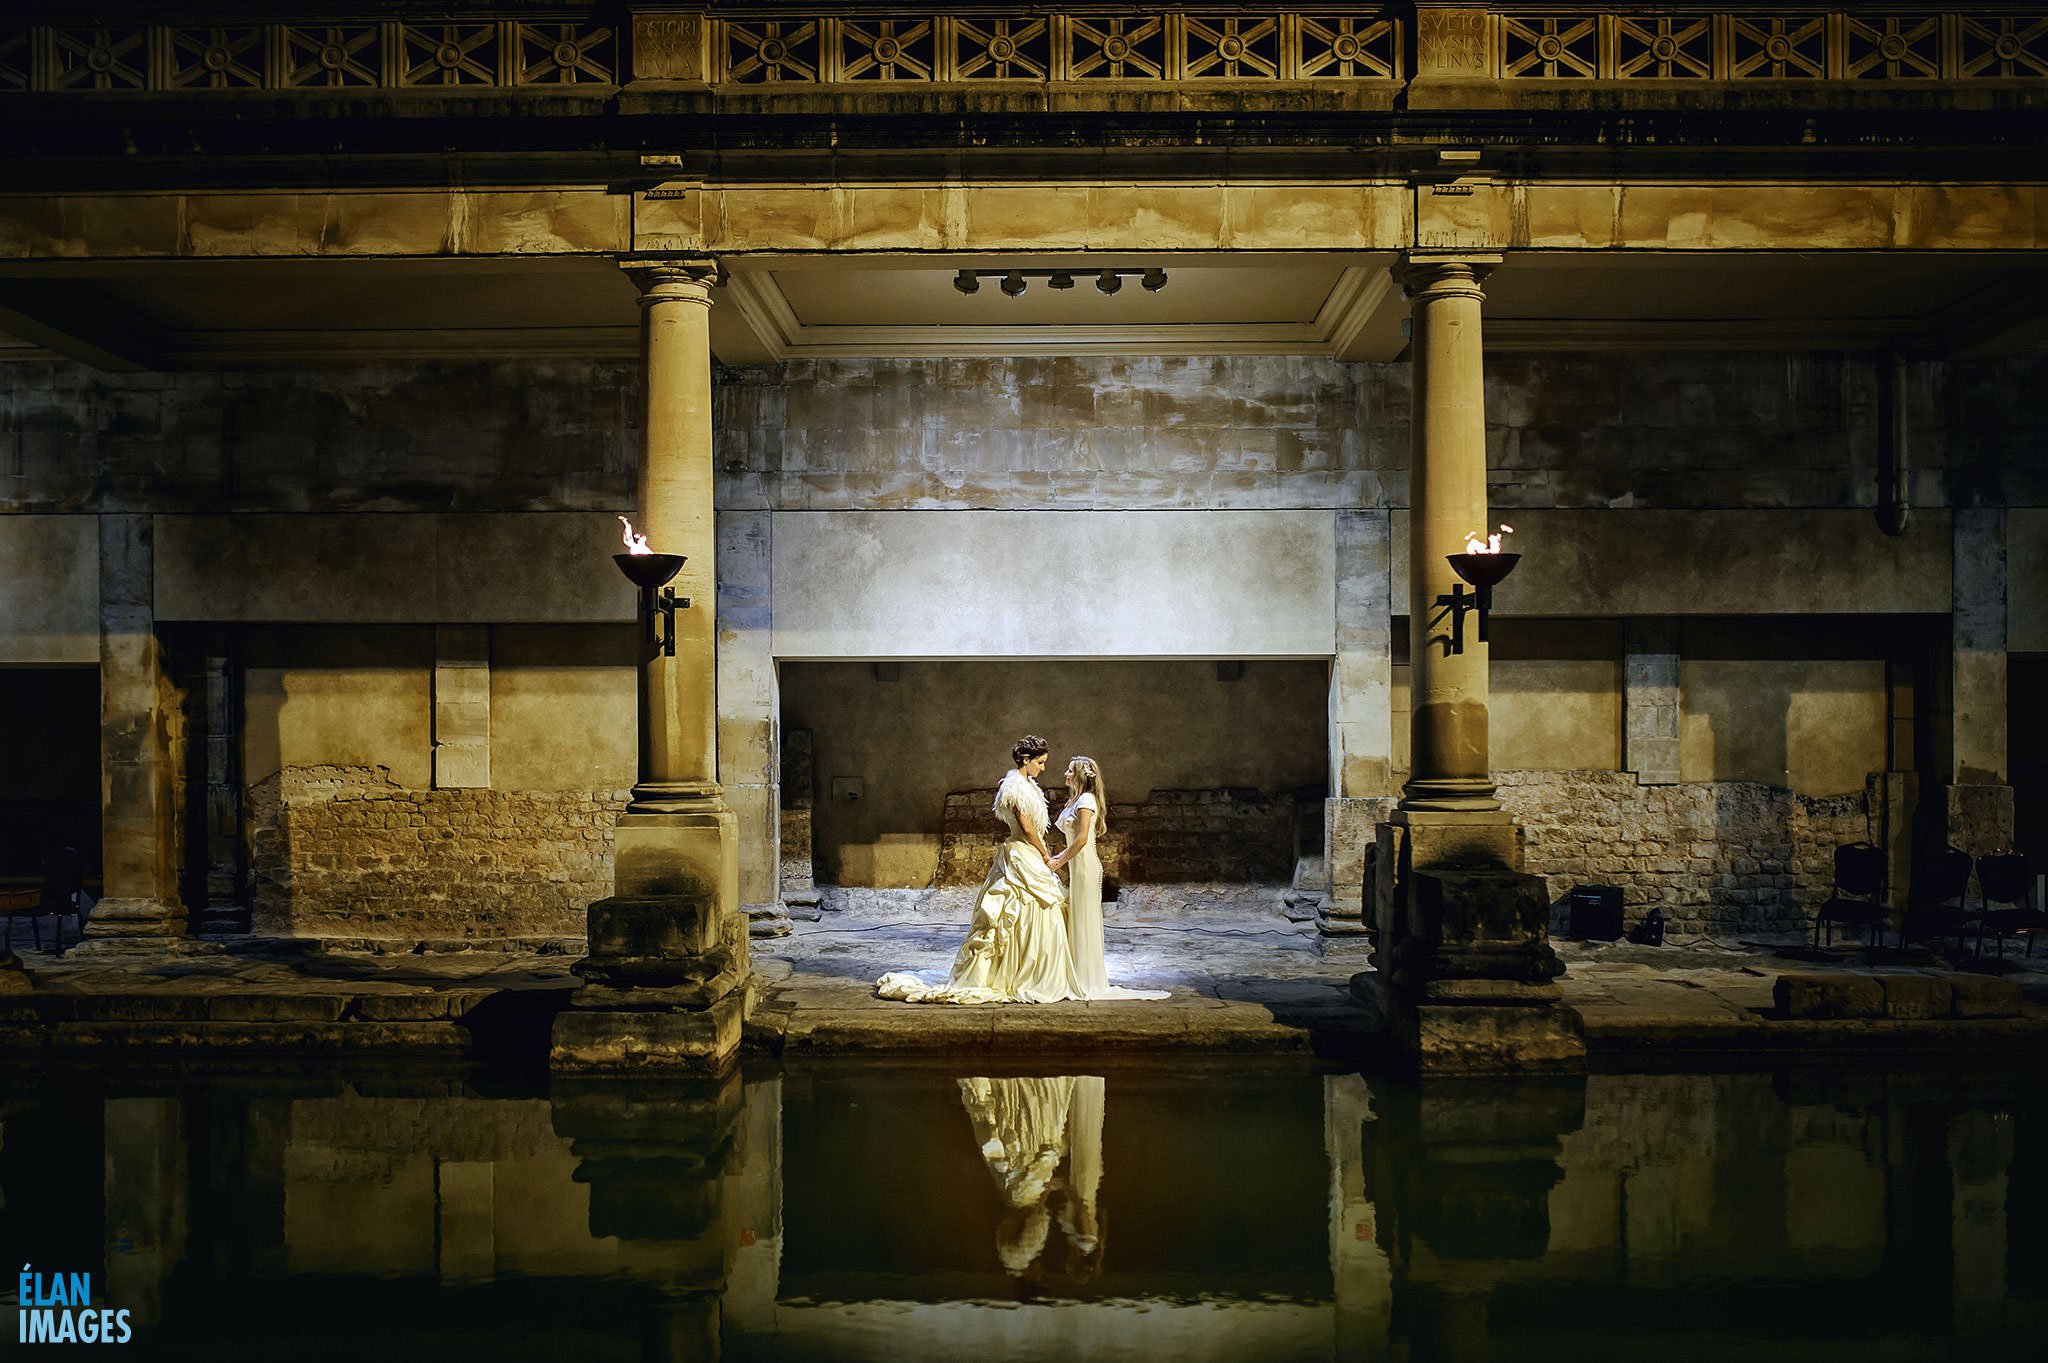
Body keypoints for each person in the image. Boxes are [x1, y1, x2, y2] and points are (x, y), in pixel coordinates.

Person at [877, 735, 1081, 1004]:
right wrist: (1045, 853)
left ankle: (1033, 971)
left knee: (1042, 908)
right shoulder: (1013, 787)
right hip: (1022, 853)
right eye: (1040, 763)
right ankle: (1014, 973)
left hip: (1029, 851)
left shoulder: (1029, 785)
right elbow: (1027, 826)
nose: (1043, 768)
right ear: (1026, 760)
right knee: (1015, 909)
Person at [1048, 757, 1168, 1001]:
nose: (1065, 774)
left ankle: (1086, 979)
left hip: (1085, 867)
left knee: (1084, 919)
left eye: (1070, 771)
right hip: (1076, 867)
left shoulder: (1086, 800)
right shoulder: (1076, 799)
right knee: (1078, 919)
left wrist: (1058, 860)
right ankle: (1077, 972)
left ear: (1081, 775)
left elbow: (1081, 839)